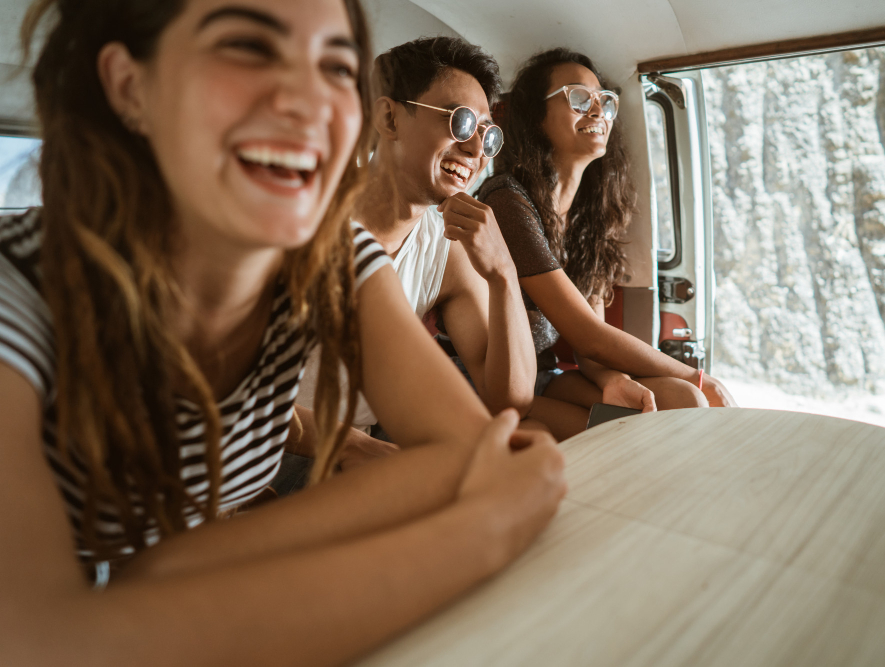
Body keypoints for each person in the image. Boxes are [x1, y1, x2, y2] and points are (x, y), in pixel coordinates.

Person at [0, 2, 565, 665]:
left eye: (334, 68)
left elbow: (481, 452)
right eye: (247, 47)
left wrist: (166, 572)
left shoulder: (337, 255)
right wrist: (485, 529)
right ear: (132, 86)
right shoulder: (20, 289)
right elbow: (37, 639)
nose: (309, 102)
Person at [478, 48, 737, 440]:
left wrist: (614, 379)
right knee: (636, 428)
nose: (598, 111)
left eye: (606, 101)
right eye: (579, 98)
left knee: (682, 400)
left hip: (540, 376)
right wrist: (700, 376)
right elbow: (587, 336)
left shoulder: (587, 219)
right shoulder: (507, 200)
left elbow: (591, 349)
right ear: (535, 115)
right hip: (479, 378)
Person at [306, 37, 535, 435]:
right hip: (263, 453)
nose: (475, 149)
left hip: (353, 454)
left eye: (487, 134)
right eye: (460, 121)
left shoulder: (446, 250)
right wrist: (359, 451)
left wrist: (503, 273)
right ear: (390, 120)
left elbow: (509, 400)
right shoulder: (304, 215)